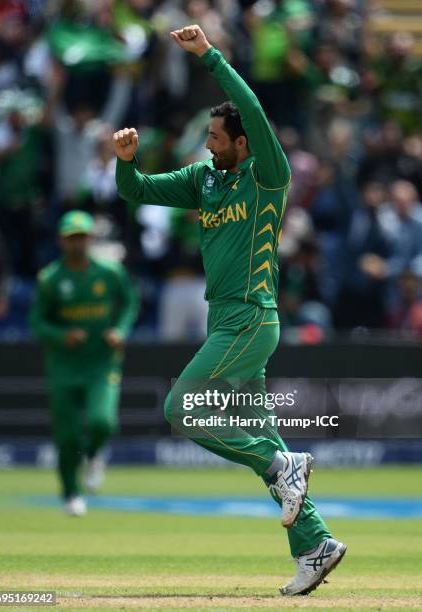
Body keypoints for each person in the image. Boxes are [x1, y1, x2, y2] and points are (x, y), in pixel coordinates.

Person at [113, 25, 346, 596]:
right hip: (226, 319)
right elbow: (138, 191)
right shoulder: (204, 180)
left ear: (244, 142)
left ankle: (277, 468)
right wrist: (125, 162)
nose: (209, 144)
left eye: (218, 136)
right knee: (263, 437)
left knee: (182, 408)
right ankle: (315, 543)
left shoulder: (268, 176)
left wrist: (211, 57)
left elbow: (252, 106)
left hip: (250, 317)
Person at [30, 210, 139, 516]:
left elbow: (130, 302)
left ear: (91, 238)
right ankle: (70, 494)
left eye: (81, 237)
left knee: (102, 422)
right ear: (61, 241)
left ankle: (93, 454)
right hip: (64, 366)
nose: (77, 243)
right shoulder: (51, 278)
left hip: (101, 363)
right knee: (66, 437)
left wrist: (120, 330)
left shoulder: (109, 272)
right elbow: (37, 322)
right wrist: (62, 335)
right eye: (71, 238)